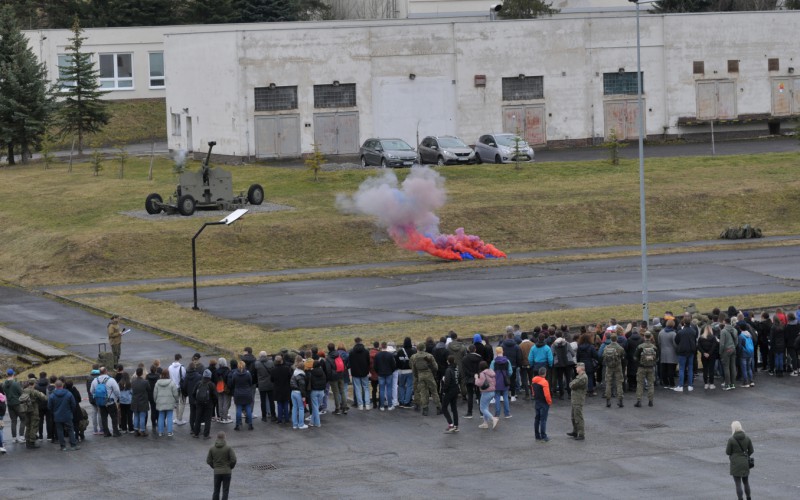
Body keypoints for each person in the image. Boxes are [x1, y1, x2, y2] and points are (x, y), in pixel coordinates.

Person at [47, 380, 79, 451]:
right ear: (62, 385)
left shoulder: (52, 395)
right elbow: (73, 404)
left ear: (55, 386)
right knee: (70, 429)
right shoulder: (68, 394)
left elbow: (49, 406)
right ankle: (73, 445)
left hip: (57, 415)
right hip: (67, 415)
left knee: (60, 430)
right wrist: (70, 411)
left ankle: (63, 446)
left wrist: (54, 412)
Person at [89, 367, 121, 437]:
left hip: (101, 402)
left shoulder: (95, 380)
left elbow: (91, 391)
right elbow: (117, 391)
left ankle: (106, 432)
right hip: (111, 402)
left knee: (104, 417)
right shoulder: (111, 380)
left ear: (99, 372)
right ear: (106, 371)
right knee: (114, 417)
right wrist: (118, 398)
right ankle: (115, 432)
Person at [726, 421, 754, 500]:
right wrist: (746, 455)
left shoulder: (731, 440)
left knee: (738, 484)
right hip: (745, 463)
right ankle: (749, 498)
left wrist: (733, 456)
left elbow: (728, 452)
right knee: (746, 482)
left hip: (735, 464)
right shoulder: (747, 438)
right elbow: (751, 450)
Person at [409, 343, 440, 416]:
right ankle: (438, 407)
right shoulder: (429, 356)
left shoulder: (414, 357)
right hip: (429, 375)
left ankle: (425, 409)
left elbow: (413, 368)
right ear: (424, 348)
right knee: (434, 391)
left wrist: (416, 376)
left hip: (420, 375)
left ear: (417, 348)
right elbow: (435, 367)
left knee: (423, 392)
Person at [207, 431, 237, 500]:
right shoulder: (228, 448)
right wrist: (230, 467)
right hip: (227, 472)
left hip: (217, 472)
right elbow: (234, 459)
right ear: (224, 437)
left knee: (216, 490)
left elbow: (208, 460)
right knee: (225, 491)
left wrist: (214, 466)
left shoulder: (212, 448)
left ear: (217, 438)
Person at [21, 378, 47, 449]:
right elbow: (44, 398)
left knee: (28, 426)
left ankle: (27, 441)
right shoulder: (34, 391)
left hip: (26, 410)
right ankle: (32, 442)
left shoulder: (24, 390)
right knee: (34, 426)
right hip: (34, 411)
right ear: (34, 384)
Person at [229, 359, 255, 431]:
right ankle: (250, 424)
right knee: (248, 408)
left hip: (238, 393)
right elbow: (250, 382)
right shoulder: (248, 373)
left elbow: (233, 383)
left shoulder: (235, 374)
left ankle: (238, 425)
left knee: (238, 409)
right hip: (247, 393)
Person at [634, 331, 657, 407]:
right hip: (651, 367)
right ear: (650, 337)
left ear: (644, 337)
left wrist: (639, 362)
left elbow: (635, 357)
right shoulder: (654, 347)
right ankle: (650, 401)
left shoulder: (640, 346)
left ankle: (639, 400)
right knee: (651, 384)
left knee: (640, 384)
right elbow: (658, 358)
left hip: (641, 367)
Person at [153, 369, 179, 437]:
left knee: (161, 416)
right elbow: (175, 394)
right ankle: (169, 432)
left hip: (160, 402)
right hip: (170, 402)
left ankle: (160, 432)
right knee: (169, 417)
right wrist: (176, 400)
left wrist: (156, 400)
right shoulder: (172, 383)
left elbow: (155, 394)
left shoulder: (157, 383)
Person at [193, 369, 218, 438]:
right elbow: (215, 396)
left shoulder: (198, 383)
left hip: (199, 403)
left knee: (198, 418)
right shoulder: (211, 384)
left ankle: (196, 433)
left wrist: (196, 400)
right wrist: (213, 403)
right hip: (209, 404)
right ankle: (206, 434)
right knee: (207, 419)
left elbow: (193, 393)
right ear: (210, 376)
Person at [674, 319, 697, 392]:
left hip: (682, 352)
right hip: (691, 351)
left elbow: (676, 341)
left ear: (683, 323)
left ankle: (681, 385)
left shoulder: (680, 332)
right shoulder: (693, 331)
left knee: (682, 368)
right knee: (690, 368)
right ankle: (690, 385)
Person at [602, 334, 625, 408]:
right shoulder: (619, 348)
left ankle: (608, 400)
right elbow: (622, 356)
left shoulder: (606, 347)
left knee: (608, 383)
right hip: (618, 366)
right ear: (616, 339)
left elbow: (603, 356)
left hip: (609, 367)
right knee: (619, 382)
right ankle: (620, 400)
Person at [474, 361, 498, 430]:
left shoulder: (482, 374)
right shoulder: (491, 372)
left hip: (486, 392)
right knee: (485, 407)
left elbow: (479, 383)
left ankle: (493, 419)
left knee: (482, 408)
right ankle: (485, 423)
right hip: (492, 391)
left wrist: (476, 378)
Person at [3, 369, 25, 444]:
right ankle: (21, 436)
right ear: (13, 375)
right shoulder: (16, 384)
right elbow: (21, 393)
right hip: (17, 403)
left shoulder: (4, 384)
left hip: (9, 404)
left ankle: (14, 437)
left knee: (13, 421)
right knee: (23, 419)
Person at [490, 346, 513, 419]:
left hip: (496, 382)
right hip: (505, 381)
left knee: (497, 397)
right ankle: (507, 413)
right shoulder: (507, 361)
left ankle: (497, 414)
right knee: (505, 397)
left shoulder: (493, 362)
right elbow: (510, 372)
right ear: (502, 351)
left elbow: (491, 373)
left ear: (496, 353)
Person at [349, 337, 371, 410]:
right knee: (366, 388)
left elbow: (350, 363)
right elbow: (368, 362)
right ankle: (367, 404)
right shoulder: (366, 351)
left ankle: (360, 405)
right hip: (364, 372)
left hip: (355, 372)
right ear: (361, 341)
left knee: (357, 389)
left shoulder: (351, 352)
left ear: (355, 342)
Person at [374, 342, 397, 412]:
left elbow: (375, 366)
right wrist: (391, 371)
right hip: (389, 373)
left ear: (381, 346)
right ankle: (390, 405)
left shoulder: (377, 355)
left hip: (381, 373)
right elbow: (393, 365)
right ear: (386, 347)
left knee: (381, 390)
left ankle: (381, 406)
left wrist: (378, 372)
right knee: (389, 389)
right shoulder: (390, 355)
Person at [461, 344, 483, 418]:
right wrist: (477, 374)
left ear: (468, 350)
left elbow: (464, 370)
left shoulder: (464, 359)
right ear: (475, 349)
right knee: (479, 395)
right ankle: (482, 412)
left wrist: (472, 374)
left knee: (470, 396)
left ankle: (469, 412)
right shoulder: (479, 358)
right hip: (478, 378)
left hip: (469, 378)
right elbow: (481, 368)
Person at [567, 363, 588, 441]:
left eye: (577, 367)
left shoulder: (583, 377)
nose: (576, 369)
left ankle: (581, 434)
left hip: (578, 400)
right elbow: (572, 384)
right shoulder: (579, 376)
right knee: (573, 417)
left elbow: (572, 385)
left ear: (581, 368)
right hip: (575, 399)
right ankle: (575, 431)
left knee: (578, 417)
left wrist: (571, 384)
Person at [253, 351, 275, 423]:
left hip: (261, 384)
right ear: (266, 356)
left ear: (260, 356)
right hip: (270, 384)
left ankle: (264, 416)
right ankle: (273, 415)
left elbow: (256, 374)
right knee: (271, 401)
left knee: (263, 401)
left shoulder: (257, 363)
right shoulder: (271, 362)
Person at [531, 367, 552, 442]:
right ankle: (543, 436)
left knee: (537, 419)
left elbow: (533, 391)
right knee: (543, 420)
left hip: (537, 401)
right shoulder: (544, 382)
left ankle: (537, 435)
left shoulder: (534, 381)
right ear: (545, 373)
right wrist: (549, 402)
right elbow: (547, 394)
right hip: (544, 403)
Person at [440, 355, 460, 433]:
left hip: (449, 390)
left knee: (444, 407)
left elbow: (447, 382)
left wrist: (444, 390)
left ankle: (450, 424)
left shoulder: (448, 370)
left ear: (448, 361)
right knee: (454, 408)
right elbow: (459, 378)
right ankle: (456, 425)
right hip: (456, 389)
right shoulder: (456, 369)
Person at [719, 314, 739, 389]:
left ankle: (727, 384)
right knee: (733, 366)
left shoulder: (723, 331)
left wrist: (720, 352)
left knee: (726, 367)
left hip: (726, 350)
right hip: (733, 349)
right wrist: (733, 347)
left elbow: (722, 344)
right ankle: (732, 384)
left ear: (724, 322)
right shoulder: (735, 330)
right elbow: (736, 341)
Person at [395, 337, 416, 408]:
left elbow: (397, 362)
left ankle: (401, 401)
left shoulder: (400, 351)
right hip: (410, 371)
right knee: (409, 387)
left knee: (401, 386)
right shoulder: (413, 351)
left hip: (401, 371)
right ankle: (407, 402)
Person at [289, 356, 309, 430]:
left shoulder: (294, 373)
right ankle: (301, 424)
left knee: (294, 408)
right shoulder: (301, 375)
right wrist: (304, 396)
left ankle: (295, 424)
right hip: (298, 393)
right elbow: (302, 387)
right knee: (301, 408)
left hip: (293, 392)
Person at [168, 353, 187, 425]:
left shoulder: (170, 367)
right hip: (180, 387)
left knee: (176, 403)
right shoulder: (182, 368)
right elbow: (184, 377)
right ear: (179, 359)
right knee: (182, 402)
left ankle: (176, 417)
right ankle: (180, 418)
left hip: (173, 387)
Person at [131, 367, 150, 437]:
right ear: (142, 373)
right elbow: (149, 389)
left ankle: (136, 430)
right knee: (142, 416)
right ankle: (142, 430)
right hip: (143, 401)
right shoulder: (145, 382)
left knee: (136, 416)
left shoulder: (133, 382)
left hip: (135, 401)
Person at [658, 320, 678, 389]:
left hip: (663, 352)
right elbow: (675, 344)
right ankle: (672, 384)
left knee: (664, 369)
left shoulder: (661, 332)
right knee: (671, 370)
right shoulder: (673, 333)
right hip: (672, 353)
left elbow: (659, 342)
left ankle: (665, 383)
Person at [698, 325, 719, 390]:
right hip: (711, 355)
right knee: (711, 369)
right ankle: (711, 383)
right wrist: (709, 353)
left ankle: (706, 384)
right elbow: (714, 346)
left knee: (705, 369)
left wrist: (704, 353)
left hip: (704, 356)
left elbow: (699, 346)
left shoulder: (701, 338)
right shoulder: (713, 338)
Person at [307, 358, 327, 427]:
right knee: (316, 407)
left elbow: (310, 382)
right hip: (321, 391)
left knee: (315, 407)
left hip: (314, 391)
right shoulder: (323, 372)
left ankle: (317, 423)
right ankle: (312, 422)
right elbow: (325, 381)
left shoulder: (311, 373)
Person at [214, 358, 232, 423]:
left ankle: (221, 416)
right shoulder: (227, 370)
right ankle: (225, 417)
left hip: (219, 388)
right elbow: (229, 380)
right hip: (226, 388)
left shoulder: (217, 371)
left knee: (220, 402)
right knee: (226, 403)